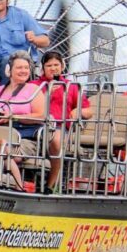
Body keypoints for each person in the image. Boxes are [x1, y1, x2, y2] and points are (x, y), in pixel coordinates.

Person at [30, 50, 94, 194]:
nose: (53, 68)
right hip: (36, 123)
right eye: (49, 65)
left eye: (56, 65)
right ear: (43, 68)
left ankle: (50, 185)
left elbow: (89, 111)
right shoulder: (35, 85)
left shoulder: (71, 86)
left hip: (59, 126)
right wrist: (49, 93)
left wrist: (78, 111)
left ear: (62, 66)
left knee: (56, 141)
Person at [0, 51, 46, 166]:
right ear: (9, 70)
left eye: (26, 68)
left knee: (6, 152)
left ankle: (13, 183)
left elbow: (41, 116)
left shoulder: (34, 89)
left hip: (23, 138)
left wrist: (13, 117)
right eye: (19, 67)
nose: (24, 71)